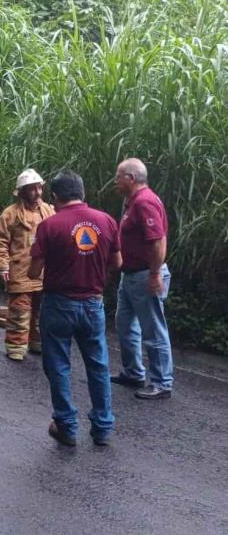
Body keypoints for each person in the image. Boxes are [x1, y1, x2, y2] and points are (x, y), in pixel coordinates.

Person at [28, 170, 122, 446]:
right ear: (83, 193)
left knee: (58, 364)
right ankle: (103, 428)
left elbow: (34, 272)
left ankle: (66, 426)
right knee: (98, 365)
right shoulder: (106, 221)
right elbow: (117, 263)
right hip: (93, 303)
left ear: (55, 196)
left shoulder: (50, 225)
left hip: (59, 304)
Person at [111, 158, 174, 399]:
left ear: (131, 178)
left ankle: (162, 382)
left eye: (118, 177)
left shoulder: (145, 202)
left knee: (153, 329)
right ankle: (133, 372)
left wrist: (155, 274)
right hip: (131, 275)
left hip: (145, 275)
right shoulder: (132, 201)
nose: (115, 181)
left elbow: (158, 241)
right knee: (125, 324)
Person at [0, 169, 55, 361]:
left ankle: (36, 342)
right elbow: (0, 241)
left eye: (39, 188)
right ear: (22, 191)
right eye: (32, 189)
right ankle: (16, 347)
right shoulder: (10, 215)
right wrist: (2, 265)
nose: (37, 193)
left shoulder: (48, 211)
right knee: (19, 311)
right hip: (20, 271)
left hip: (44, 272)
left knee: (40, 312)